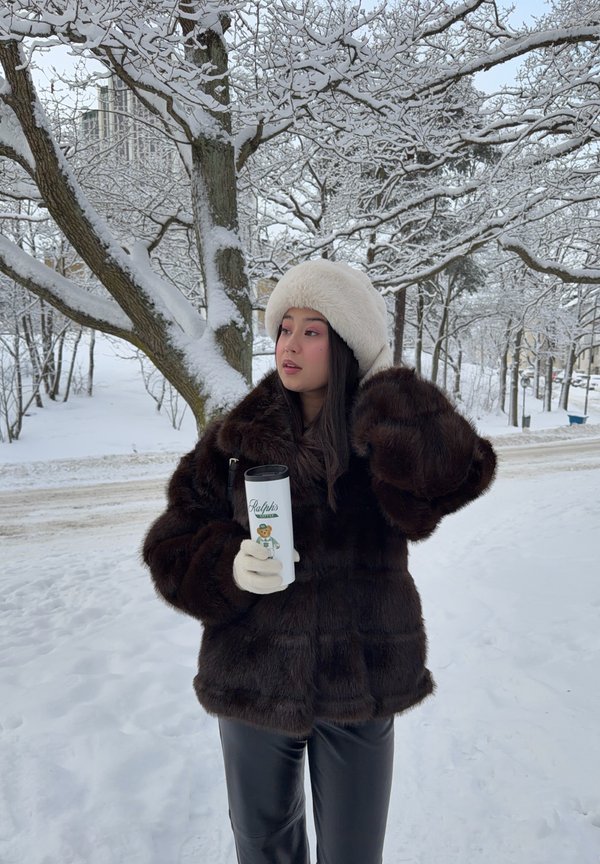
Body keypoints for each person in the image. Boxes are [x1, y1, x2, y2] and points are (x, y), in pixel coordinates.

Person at [143, 259, 497, 864]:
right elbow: (170, 544)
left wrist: (399, 397)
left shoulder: (382, 435)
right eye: (285, 327)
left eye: (314, 330)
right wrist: (225, 567)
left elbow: (457, 477)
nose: (291, 344)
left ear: (346, 343)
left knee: (354, 853)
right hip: (252, 678)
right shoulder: (233, 440)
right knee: (263, 848)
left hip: (361, 676)